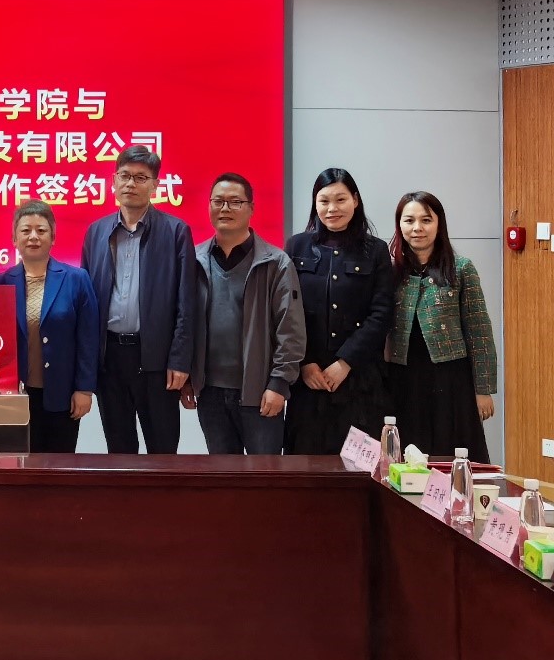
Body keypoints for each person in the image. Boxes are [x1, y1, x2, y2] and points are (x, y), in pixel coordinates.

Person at [81, 145, 197, 454]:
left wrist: (179, 360)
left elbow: (186, 303)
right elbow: (87, 304)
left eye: (141, 178)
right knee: (119, 451)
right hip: (110, 359)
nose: (131, 184)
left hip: (156, 360)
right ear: (114, 181)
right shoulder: (96, 232)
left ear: (155, 185)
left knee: (163, 450)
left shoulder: (176, 231)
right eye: (125, 176)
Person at [184, 173, 305, 455]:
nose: (225, 208)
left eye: (235, 202)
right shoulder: (194, 261)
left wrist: (279, 383)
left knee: (265, 474)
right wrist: (189, 377)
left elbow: (291, 330)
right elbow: (184, 323)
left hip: (260, 392)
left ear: (251, 208)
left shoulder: (276, 263)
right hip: (210, 393)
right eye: (218, 201)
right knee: (223, 475)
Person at [284, 169, 395, 454]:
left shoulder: (376, 250)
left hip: (360, 378)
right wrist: (305, 362)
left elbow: (382, 313)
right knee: (305, 465)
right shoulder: (296, 246)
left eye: (340, 199)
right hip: (308, 381)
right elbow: (287, 311)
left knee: (358, 468)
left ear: (355, 200)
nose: (332, 208)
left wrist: (345, 362)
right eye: (324, 201)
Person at [388, 191, 497, 460]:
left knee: (454, 454)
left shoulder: (461, 268)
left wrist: (483, 390)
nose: (417, 228)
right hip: (403, 377)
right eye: (409, 220)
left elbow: (479, 332)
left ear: (439, 224)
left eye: (426, 220)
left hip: (451, 379)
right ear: (399, 225)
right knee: (408, 457)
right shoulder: (390, 270)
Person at [0, 200, 98, 454]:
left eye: (41, 230)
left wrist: (84, 389)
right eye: (25, 230)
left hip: (63, 395)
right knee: (19, 464)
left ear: (53, 238)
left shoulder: (77, 279)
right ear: (14, 239)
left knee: (59, 466)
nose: (33, 237)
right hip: (14, 396)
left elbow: (88, 339)